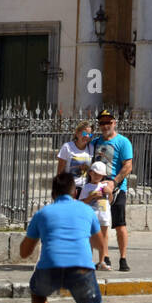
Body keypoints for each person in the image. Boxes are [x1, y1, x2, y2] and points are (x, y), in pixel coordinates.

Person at [19, 172, 106, 303]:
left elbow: (25, 252)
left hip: (50, 266)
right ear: (74, 192)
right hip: (81, 267)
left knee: (39, 295)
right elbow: (101, 244)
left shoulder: (42, 214)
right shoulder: (86, 211)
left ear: (52, 194)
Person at [92, 110, 134, 272]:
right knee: (102, 224)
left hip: (117, 188)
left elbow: (128, 166)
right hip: (99, 188)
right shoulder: (95, 142)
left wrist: (114, 182)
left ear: (114, 123)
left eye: (108, 122)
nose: (105, 126)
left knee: (119, 224)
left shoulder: (123, 142)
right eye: (102, 123)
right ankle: (105, 257)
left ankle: (123, 259)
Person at [80, 160, 114, 269]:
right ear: (90, 173)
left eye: (99, 175)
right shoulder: (87, 187)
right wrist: (92, 196)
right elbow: (82, 202)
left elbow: (110, 201)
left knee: (103, 238)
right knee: (90, 239)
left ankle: (102, 261)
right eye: (94, 174)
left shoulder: (104, 186)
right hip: (91, 215)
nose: (96, 176)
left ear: (103, 176)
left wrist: (109, 192)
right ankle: (88, 261)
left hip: (104, 215)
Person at [56, 121, 94, 194]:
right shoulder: (67, 147)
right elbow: (60, 172)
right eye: (84, 133)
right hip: (69, 188)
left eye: (89, 134)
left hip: (84, 190)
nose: (87, 136)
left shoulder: (91, 148)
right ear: (77, 133)